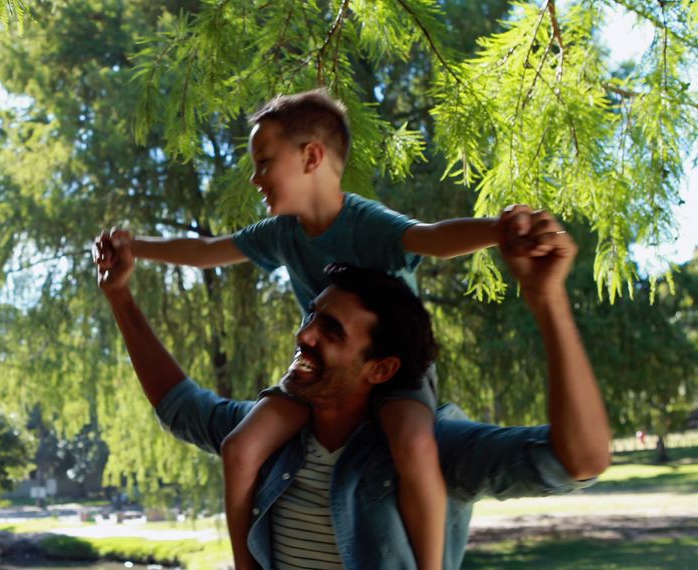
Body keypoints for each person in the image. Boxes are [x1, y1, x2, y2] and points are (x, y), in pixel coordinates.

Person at [91, 206, 611, 569]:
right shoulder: (272, 441)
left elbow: (578, 460)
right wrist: (120, 297)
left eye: (331, 330)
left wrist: (546, 299)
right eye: (312, 315)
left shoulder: (433, 451)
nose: (304, 334)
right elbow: (180, 405)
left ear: (380, 369)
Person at [115, 89, 500, 569]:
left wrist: (500, 229)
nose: (255, 178)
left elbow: (434, 239)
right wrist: (137, 247)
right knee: (240, 446)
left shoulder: (366, 223)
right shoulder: (282, 233)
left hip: (392, 373)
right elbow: (205, 251)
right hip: (318, 372)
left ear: (311, 156)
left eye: (264, 162)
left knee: (414, 444)